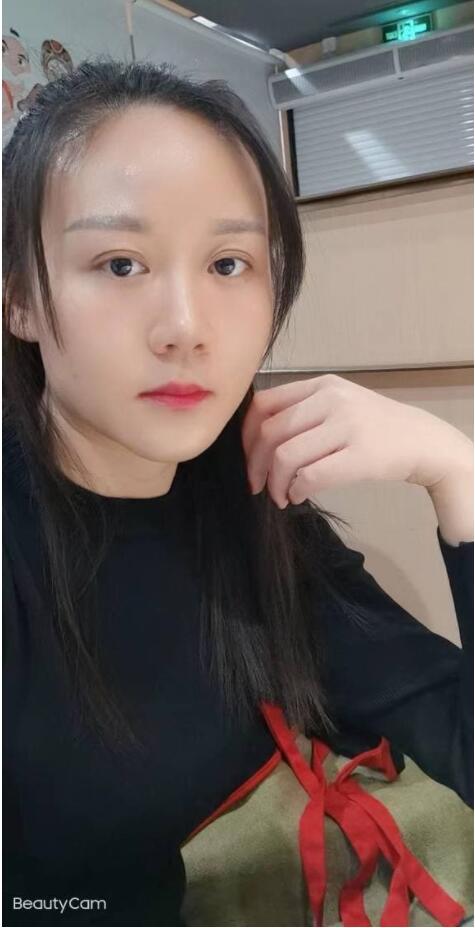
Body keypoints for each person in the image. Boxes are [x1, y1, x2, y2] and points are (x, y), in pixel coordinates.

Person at [3, 57, 473, 926]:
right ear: (20, 298)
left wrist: (458, 474)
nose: (185, 328)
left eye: (227, 264)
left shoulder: (253, 508)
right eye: (119, 263)